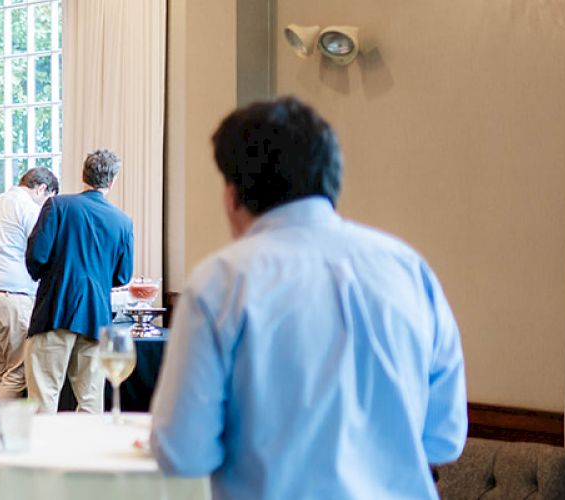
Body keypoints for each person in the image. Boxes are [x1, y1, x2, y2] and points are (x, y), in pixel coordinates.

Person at [152, 98, 466, 499]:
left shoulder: (221, 282)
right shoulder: (408, 269)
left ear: (232, 196)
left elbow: (184, 454)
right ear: (331, 180)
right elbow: (446, 438)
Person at [23, 150, 134, 413]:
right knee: (91, 399)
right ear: (112, 181)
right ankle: (86, 452)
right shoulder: (123, 221)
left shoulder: (58, 206)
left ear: (83, 174)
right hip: (96, 316)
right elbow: (122, 276)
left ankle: (42, 453)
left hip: (55, 309)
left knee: (43, 395)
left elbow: (36, 256)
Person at [0, 168, 58, 403]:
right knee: (18, 370)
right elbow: (41, 253)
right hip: (10, 296)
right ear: (40, 189)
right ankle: (4, 432)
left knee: (1, 366)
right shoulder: (29, 209)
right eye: (49, 198)